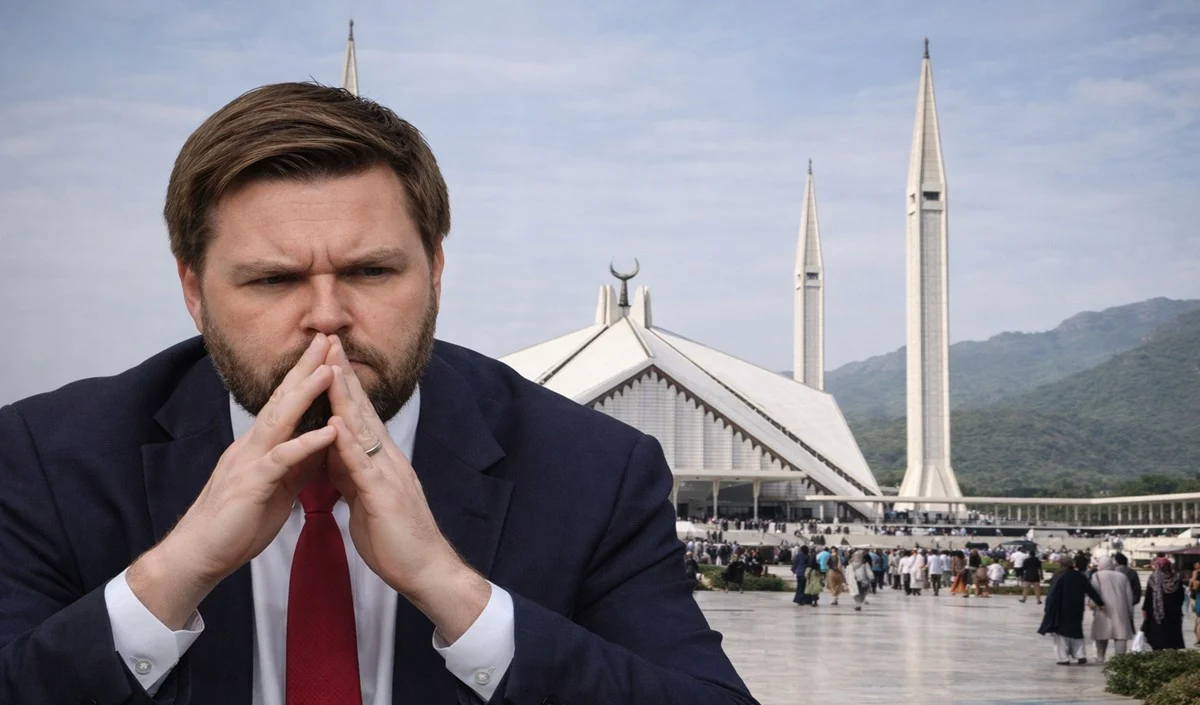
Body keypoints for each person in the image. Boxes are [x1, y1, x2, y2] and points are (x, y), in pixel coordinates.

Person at [0, 83, 757, 704]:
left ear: (435, 271)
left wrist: (454, 592)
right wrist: (174, 573)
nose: (326, 315)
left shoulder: (592, 472)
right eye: (274, 280)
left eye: (370, 272)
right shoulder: (51, 461)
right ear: (194, 291)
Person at [1039, 553, 1106, 666]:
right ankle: (1081, 655)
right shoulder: (1079, 576)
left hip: (1061, 608)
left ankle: (1063, 658)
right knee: (1076, 630)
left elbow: (1051, 595)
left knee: (1061, 633)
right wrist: (1100, 603)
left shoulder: (1058, 576)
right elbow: (1090, 590)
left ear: (1061, 564)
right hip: (1077, 608)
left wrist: (1047, 609)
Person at [1089, 557, 1135, 662]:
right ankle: (1119, 659)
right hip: (1120, 609)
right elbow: (1129, 595)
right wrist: (1130, 611)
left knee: (1101, 633)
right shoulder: (1123, 576)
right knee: (1120, 634)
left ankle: (1100, 656)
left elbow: (1094, 592)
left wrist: (1092, 604)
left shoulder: (1097, 575)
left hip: (1103, 608)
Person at [1141, 557, 1186, 650]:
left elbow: (1149, 596)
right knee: (1172, 635)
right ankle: (1172, 653)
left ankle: (1158, 652)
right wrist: (1177, 608)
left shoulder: (1154, 578)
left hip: (1156, 612)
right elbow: (1181, 596)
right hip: (1173, 612)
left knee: (1157, 635)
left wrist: (1145, 609)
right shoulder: (1176, 578)